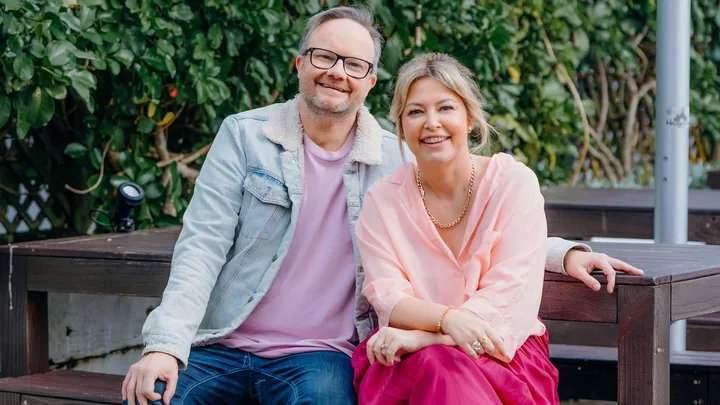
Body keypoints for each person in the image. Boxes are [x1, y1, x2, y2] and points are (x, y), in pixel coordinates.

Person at [121, 6, 643, 405]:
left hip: (318, 356)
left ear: (370, 82)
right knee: (151, 395)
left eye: (354, 64)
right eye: (324, 57)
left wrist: (563, 252)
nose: (336, 73)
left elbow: (483, 216)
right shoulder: (246, 137)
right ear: (300, 64)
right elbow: (202, 245)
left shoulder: (398, 156)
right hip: (223, 343)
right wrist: (165, 344)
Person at [352, 52, 560, 405]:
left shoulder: (514, 184)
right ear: (401, 126)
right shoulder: (381, 202)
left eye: (445, 108)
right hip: (404, 361)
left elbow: (508, 300)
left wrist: (429, 337)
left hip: (504, 357)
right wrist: (445, 325)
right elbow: (389, 299)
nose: (431, 123)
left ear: (469, 118)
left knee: (444, 366)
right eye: (415, 112)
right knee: (439, 366)